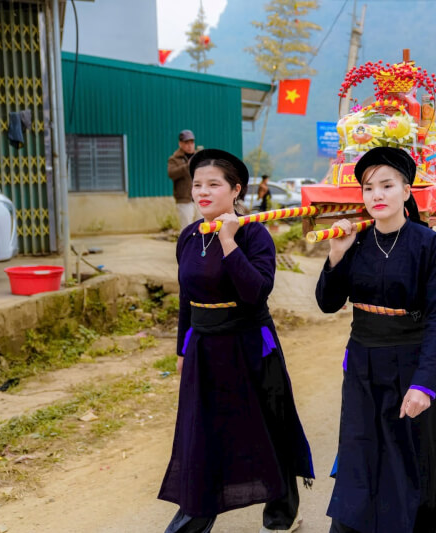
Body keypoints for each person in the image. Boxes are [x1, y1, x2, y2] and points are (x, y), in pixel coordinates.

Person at [315, 147, 436, 533]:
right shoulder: (356, 241)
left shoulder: (427, 243)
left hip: (412, 362)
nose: (376, 195)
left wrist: (425, 383)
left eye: (387, 185)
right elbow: (328, 303)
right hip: (363, 364)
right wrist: (336, 255)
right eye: (368, 187)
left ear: (406, 191)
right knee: (362, 452)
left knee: (414, 455)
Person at [159, 149, 314, 533]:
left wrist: (229, 242)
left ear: (235, 190)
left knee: (267, 427)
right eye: (197, 185)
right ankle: (194, 519)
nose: (203, 192)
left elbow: (256, 291)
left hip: (249, 345)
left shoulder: (255, 233)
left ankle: (281, 515)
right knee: (203, 433)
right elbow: (186, 297)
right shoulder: (189, 236)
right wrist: (181, 348)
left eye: (214, 184)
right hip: (204, 348)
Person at [167, 129, 199, 229]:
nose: (190, 145)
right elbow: (171, 173)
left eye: (192, 142)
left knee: (202, 229)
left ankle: (200, 246)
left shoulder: (199, 157)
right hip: (184, 200)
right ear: (180, 144)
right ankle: (185, 245)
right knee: (187, 230)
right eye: (186, 143)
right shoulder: (174, 159)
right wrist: (187, 166)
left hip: (200, 198)